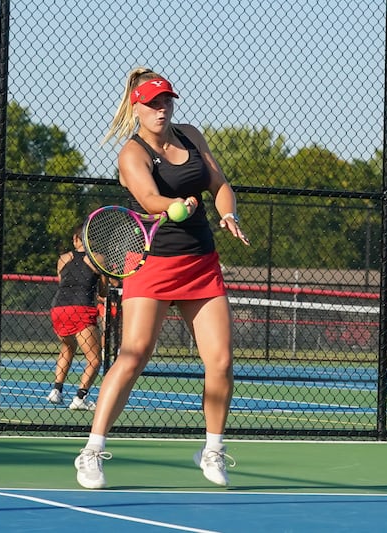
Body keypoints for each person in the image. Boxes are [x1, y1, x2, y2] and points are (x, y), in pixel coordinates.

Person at [74, 67, 250, 490]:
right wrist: (174, 207)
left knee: (221, 362)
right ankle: (91, 452)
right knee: (133, 355)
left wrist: (227, 212)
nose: (161, 109)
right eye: (153, 103)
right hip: (154, 264)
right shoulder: (131, 155)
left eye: (166, 101)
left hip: (201, 263)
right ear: (136, 107)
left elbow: (219, 182)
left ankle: (212, 450)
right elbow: (150, 199)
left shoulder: (190, 135)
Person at [48, 224, 108, 411]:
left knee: (67, 346)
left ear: (75, 239)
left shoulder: (63, 259)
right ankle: (80, 397)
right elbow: (104, 291)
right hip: (81, 309)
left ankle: (56, 391)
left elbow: (64, 282)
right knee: (94, 359)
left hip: (58, 309)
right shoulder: (98, 258)